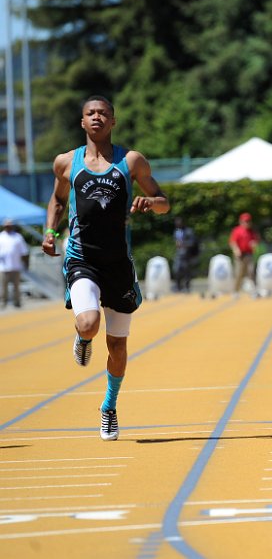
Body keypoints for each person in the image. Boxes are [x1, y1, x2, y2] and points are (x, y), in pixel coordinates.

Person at [41, 95, 170, 441]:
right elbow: (57, 199)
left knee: (117, 346)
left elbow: (164, 203)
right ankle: (83, 337)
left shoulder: (131, 161)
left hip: (119, 265)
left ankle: (109, 407)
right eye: (90, 113)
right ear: (82, 122)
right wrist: (51, 233)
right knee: (88, 322)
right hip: (82, 257)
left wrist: (149, 202)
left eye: (104, 113)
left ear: (113, 122)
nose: (97, 117)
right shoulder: (67, 162)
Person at [0, 218, 29, 308]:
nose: (8, 227)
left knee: (16, 286)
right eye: (6, 226)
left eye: (9, 226)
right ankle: (3, 302)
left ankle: (17, 302)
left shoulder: (18, 237)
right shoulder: (1, 236)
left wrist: (26, 263)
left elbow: (24, 252)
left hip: (16, 266)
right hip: (3, 267)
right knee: (3, 287)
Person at [228, 212, 259, 296]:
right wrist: (236, 250)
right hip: (240, 255)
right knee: (239, 273)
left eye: (248, 221)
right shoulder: (237, 231)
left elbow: (255, 241)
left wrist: (254, 244)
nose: (247, 223)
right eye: (245, 221)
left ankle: (253, 290)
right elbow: (233, 242)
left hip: (249, 254)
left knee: (251, 271)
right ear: (241, 221)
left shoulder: (251, 231)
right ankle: (236, 291)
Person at [173, 217, 198, 293]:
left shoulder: (189, 231)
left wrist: (183, 244)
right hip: (178, 254)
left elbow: (193, 242)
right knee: (176, 270)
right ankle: (178, 287)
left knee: (186, 271)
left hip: (187, 254)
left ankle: (187, 287)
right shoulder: (176, 232)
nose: (178, 225)